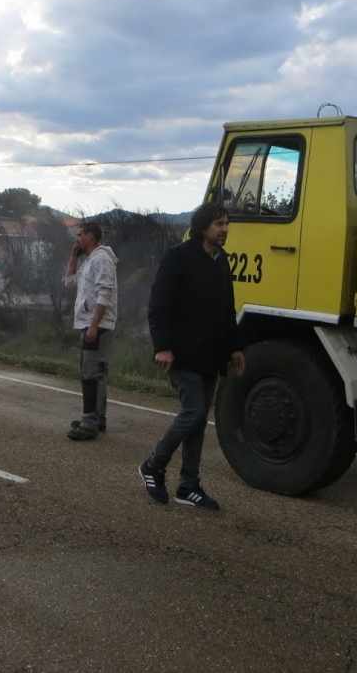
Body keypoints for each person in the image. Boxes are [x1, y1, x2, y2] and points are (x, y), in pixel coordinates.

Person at [137, 203, 243, 509]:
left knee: (198, 421)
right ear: (202, 226)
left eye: (227, 223)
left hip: (211, 355)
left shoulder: (221, 260)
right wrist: (162, 347)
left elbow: (227, 309)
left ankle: (189, 485)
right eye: (219, 224)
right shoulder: (178, 257)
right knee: (194, 412)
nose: (225, 229)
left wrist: (235, 347)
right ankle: (153, 466)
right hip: (182, 353)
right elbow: (159, 305)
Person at [63, 221, 119, 441]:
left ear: (91, 236)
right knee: (97, 374)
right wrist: (73, 258)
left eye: (80, 234)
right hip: (91, 323)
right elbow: (69, 283)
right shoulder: (89, 261)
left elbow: (104, 293)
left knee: (90, 373)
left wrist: (94, 325)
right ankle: (97, 418)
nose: (77, 238)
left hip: (97, 325)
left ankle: (89, 422)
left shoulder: (102, 259)